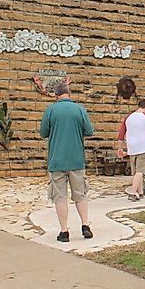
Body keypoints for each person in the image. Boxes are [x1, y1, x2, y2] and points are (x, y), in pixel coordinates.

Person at [39, 83, 95, 243]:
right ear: (69, 93)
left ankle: (64, 231)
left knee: (60, 197)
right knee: (80, 194)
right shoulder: (80, 110)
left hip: (57, 160)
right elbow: (89, 131)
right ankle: (85, 225)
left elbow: (43, 132)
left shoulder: (50, 110)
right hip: (76, 159)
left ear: (56, 95)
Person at [115, 99, 145, 201]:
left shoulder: (128, 117)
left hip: (132, 147)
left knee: (135, 172)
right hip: (144, 147)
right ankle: (132, 192)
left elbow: (121, 134)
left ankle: (140, 192)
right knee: (140, 171)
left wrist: (120, 148)